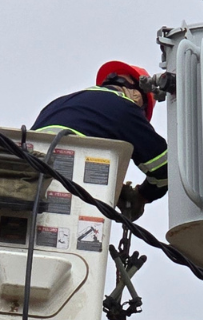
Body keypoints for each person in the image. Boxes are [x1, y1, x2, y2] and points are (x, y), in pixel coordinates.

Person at [34, 61, 170, 220]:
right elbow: (165, 169)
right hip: (70, 194)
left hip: (31, 184)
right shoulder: (124, 108)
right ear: (137, 95)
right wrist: (142, 195)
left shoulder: (56, 104)